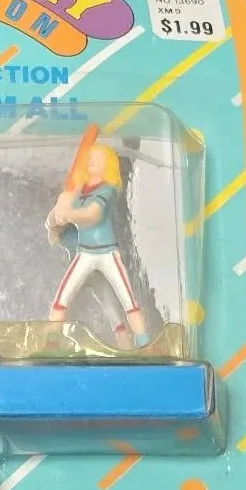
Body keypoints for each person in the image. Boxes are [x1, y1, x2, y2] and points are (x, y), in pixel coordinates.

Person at [45, 143, 149, 347]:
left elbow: (92, 215)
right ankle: (50, 343)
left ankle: (144, 342)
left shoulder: (107, 189)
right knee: (61, 298)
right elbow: (52, 225)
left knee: (128, 300)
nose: (92, 161)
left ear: (108, 164)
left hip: (107, 253)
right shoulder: (78, 192)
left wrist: (68, 214)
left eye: (98, 158)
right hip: (84, 254)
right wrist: (58, 210)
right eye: (90, 158)